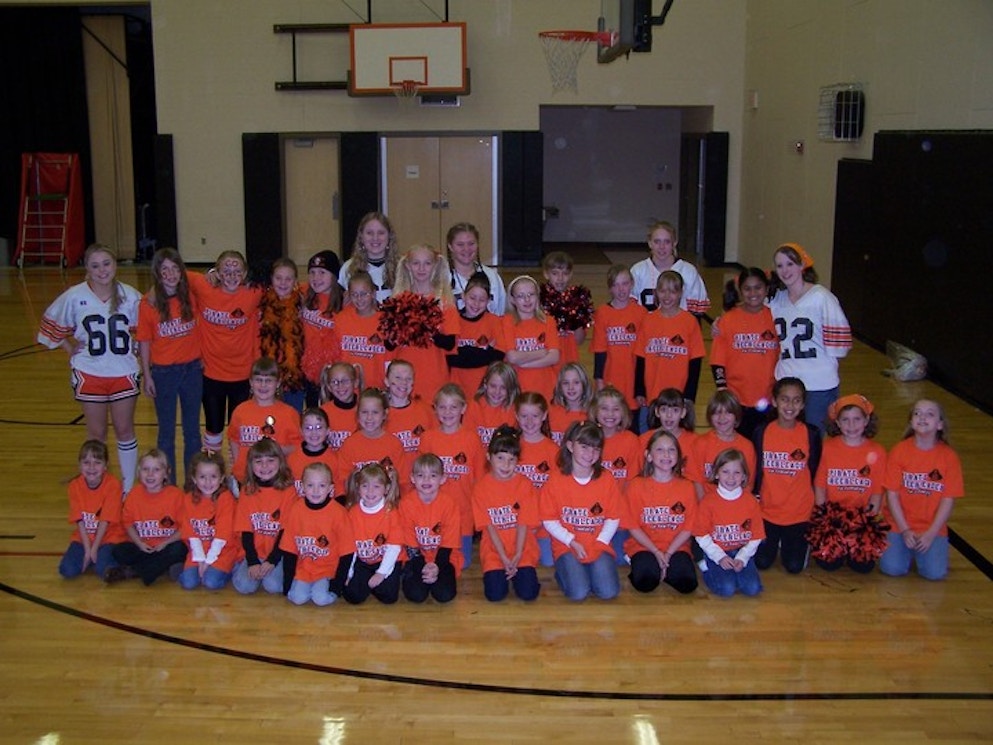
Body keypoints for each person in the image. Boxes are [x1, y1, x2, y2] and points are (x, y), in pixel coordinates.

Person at [38, 244, 142, 492]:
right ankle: (99, 487)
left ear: (115, 265)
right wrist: (67, 346)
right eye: (95, 265)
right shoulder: (74, 296)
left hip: (123, 371)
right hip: (89, 372)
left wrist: (137, 349)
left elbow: (145, 332)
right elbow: (49, 322)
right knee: (96, 433)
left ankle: (127, 490)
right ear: (87, 268)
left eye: (106, 263)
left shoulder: (131, 295)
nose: (102, 270)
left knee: (125, 429)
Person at [768, 242, 852, 434]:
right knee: (788, 437)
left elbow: (840, 346)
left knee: (813, 439)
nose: (785, 270)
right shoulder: (775, 300)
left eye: (790, 264)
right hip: (786, 381)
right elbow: (750, 312)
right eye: (779, 265)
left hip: (818, 384)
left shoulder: (822, 298)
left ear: (802, 264)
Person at [187, 250, 262, 456]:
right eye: (225, 270)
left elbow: (279, 277)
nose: (231, 275)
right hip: (211, 374)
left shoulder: (253, 293)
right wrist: (208, 272)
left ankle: (236, 477)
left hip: (242, 375)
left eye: (237, 270)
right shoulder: (204, 286)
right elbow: (175, 271)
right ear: (218, 273)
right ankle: (214, 475)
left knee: (239, 430)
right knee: (213, 427)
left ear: (245, 273)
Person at [879, 399, 964, 581]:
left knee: (935, 574)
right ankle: (904, 549)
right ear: (911, 421)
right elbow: (891, 495)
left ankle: (922, 551)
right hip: (899, 524)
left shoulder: (949, 457)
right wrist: (904, 530)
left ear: (940, 424)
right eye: (917, 413)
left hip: (931, 527)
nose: (922, 417)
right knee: (892, 569)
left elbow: (948, 499)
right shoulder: (899, 451)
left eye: (930, 414)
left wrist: (931, 533)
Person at [136, 247, 202, 481]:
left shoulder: (191, 295)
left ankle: (194, 482)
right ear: (157, 272)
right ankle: (167, 482)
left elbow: (205, 278)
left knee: (192, 431)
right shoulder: (148, 304)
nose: (171, 274)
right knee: (166, 433)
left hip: (192, 370)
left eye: (175, 268)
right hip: (164, 372)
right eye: (165, 269)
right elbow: (143, 341)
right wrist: (147, 375)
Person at [540, 421, 622, 601]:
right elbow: (549, 520)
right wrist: (571, 541)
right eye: (584, 447)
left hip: (598, 544)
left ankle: (584, 571)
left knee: (608, 592)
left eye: (595, 449)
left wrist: (600, 542)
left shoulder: (606, 479)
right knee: (578, 593)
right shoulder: (555, 480)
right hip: (567, 546)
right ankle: (566, 573)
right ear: (570, 446)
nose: (590, 454)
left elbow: (613, 517)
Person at [809, 394, 888, 573]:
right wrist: (825, 518)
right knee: (829, 564)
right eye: (845, 420)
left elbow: (877, 491)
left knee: (862, 566)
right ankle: (840, 545)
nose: (851, 426)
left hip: (861, 518)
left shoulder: (877, 451)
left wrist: (867, 519)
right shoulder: (827, 447)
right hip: (833, 517)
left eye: (857, 419)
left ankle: (850, 546)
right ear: (837, 422)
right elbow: (820, 485)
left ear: (867, 420)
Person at [751, 377, 821, 574]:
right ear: (774, 401)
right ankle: (775, 542)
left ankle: (795, 542)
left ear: (803, 404)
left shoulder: (811, 434)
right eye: (784, 399)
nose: (790, 405)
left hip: (798, 513)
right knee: (762, 562)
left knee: (793, 567)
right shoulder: (762, 432)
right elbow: (756, 470)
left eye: (796, 400)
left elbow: (814, 471)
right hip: (768, 512)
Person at [622, 430, 699, 594]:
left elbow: (688, 528)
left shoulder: (687, 487)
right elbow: (633, 526)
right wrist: (657, 552)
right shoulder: (636, 486)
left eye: (671, 450)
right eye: (660, 450)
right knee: (645, 582)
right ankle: (649, 567)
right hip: (644, 546)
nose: (666, 454)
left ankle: (663, 570)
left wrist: (668, 554)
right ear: (648, 456)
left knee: (688, 584)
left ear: (678, 456)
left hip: (676, 547)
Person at [419, 383, 485, 568]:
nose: (448, 412)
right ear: (435, 408)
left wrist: (476, 516)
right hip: (434, 512)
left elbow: (479, 480)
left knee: (461, 564)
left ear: (463, 408)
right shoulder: (428, 438)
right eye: (442, 407)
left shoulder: (472, 439)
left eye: (453, 407)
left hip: (463, 513)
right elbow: (420, 480)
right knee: (431, 561)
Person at [472, 426, 541, 602]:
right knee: (495, 595)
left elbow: (524, 523)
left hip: (522, 548)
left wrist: (517, 555)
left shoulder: (525, 485)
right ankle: (497, 573)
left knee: (528, 593)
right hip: (495, 550)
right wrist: (503, 557)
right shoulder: (480, 488)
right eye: (500, 458)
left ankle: (522, 574)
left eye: (512, 459)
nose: (506, 465)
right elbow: (489, 527)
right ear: (489, 457)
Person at [710, 267, 779, 440]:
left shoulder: (776, 317)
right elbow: (717, 360)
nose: (753, 293)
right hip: (737, 401)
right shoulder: (728, 320)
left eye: (758, 287)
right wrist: (722, 388)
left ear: (766, 288)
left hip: (768, 399)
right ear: (740, 291)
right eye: (747, 289)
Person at [385, 243, 459, 401]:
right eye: (416, 263)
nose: (421, 268)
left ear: (435, 265)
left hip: (434, 377)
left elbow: (450, 343)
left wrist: (426, 328)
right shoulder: (397, 302)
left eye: (427, 263)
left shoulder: (445, 303)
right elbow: (388, 344)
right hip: (402, 380)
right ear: (407, 265)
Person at [106, 449, 188, 585]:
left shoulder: (176, 496)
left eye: (156, 470)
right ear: (139, 473)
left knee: (179, 549)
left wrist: (166, 542)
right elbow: (127, 523)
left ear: (166, 473)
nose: (150, 474)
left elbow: (185, 528)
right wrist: (139, 543)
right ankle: (162, 567)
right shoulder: (134, 494)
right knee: (118, 551)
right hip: (143, 547)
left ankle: (133, 571)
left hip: (166, 545)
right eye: (145, 469)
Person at [693, 448, 765, 597]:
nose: (731, 477)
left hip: (741, 550)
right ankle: (706, 567)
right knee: (727, 590)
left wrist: (742, 558)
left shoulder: (751, 501)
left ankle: (737, 573)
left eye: (737, 472)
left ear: (744, 476)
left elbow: (756, 536)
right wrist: (720, 557)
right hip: (716, 552)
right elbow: (701, 535)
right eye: (725, 472)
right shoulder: (708, 502)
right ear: (717, 474)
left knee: (752, 589)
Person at [280, 462, 353, 606]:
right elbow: (289, 550)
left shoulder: (339, 513)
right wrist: (288, 582)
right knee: (297, 598)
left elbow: (347, 553)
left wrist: (337, 585)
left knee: (320, 599)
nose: (315, 491)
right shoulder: (296, 510)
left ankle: (322, 589)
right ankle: (301, 588)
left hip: (327, 570)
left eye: (322, 486)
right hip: (304, 569)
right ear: (302, 487)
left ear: (330, 489)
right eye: (310, 485)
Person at [231, 438, 297, 595]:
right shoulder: (247, 491)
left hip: (277, 553)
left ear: (280, 462)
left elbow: (285, 532)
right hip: (254, 552)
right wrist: (253, 561)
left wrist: (272, 561)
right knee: (244, 587)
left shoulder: (289, 492)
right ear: (250, 465)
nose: (265, 466)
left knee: (273, 586)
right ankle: (239, 565)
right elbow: (245, 531)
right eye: (258, 461)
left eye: (270, 460)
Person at [226, 357, 302, 487]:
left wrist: (276, 450)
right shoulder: (240, 410)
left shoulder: (289, 413)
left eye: (268, 381)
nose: (263, 385)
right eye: (258, 380)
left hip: (276, 479)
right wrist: (239, 466)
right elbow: (234, 438)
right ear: (250, 382)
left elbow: (299, 446)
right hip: (245, 479)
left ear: (278, 383)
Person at [635, 270, 705, 409]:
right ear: (656, 292)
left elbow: (695, 363)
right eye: (662, 291)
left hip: (679, 397)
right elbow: (640, 359)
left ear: (680, 293)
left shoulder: (690, 322)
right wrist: (640, 391)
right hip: (652, 395)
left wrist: (689, 396)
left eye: (672, 292)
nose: (667, 296)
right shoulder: (648, 320)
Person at [58, 440, 126, 579]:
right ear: (79, 465)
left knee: (103, 570)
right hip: (84, 538)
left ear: (106, 466)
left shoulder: (113, 485)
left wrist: (94, 549)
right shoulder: (74, 486)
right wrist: (88, 549)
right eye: (86, 462)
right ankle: (93, 559)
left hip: (109, 537)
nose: (91, 467)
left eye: (97, 462)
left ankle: (115, 563)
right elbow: (79, 520)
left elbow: (105, 521)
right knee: (67, 570)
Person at [400, 453, 462, 603]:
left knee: (444, 595)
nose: (426, 480)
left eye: (433, 475)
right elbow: (409, 544)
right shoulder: (406, 504)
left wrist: (436, 566)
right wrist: (422, 565)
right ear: (412, 478)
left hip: (443, 557)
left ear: (442, 479)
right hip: (415, 558)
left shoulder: (449, 504)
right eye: (421, 475)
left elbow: (448, 543)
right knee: (416, 596)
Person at [592, 264, 647, 430]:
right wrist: (599, 383)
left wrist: (642, 389)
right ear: (610, 288)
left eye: (624, 283)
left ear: (632, 284)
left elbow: (645, 356)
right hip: (611, 382)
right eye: (616, 285)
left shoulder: (641, 313)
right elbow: (599, 351)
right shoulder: (602, 313)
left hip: (633, 385)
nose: (621, 289)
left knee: (633, 430)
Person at [342, 462, 404, 604]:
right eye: (365, 486)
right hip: (363, 560)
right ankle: (366, 581)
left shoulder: (391, 513)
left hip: (386, 559)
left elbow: (394, 548)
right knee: (351, 596)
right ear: (358, 488)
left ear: (386, 489)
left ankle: (378, 580)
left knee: (389, 597)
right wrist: (349, 573)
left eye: (376, 486)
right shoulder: (352, 513)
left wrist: (381, 573)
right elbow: (351, 549)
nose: (370, 492)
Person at [177, 450, 238, 590]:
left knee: (211, 582)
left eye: (213, 477)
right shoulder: (188, 499)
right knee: (188, 583)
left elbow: (223, 535)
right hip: (199, 549)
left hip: (223, 550)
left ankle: (232, 568)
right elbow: (190, 533)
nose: (208, 482)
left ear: (222, 478)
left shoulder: (225, 499)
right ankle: (183, 570)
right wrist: (199, 559)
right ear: (194, 478)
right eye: (202, 477)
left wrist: (209, 561)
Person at [514, 391, 559, 567]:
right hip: (516, 520)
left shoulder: (553, 450)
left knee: (548, 562)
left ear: (544, 416)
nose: (529, 421)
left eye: (535, 416)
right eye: (524, 416)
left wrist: (540, 521)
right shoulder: (512, 447)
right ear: (516, 416)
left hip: (543, 522)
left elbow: (556, 494)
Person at [686, 390, 757, 500]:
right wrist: (706, 506)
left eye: (728, 412)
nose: (722, 417)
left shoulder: (746, 446)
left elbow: (748, 484)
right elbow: (696, 482)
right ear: (710, 415)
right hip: (707, 505)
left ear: (736, 415)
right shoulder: (700, 443)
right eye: (717, 412)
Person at [630, 220, 710, 316]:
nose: (662, 247)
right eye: (657, 242)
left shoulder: (688, 271)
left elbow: (696, 314)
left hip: (678, 329)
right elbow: (629, 310)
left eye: (667, 242)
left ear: (674, 243)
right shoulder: (638, 271)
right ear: (650, 243)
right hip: (646, 329)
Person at [258, 257, 307, 413]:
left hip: (294, 378)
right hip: (266, 375)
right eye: (278, 278)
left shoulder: (303, 302)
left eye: (288, 279)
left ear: (295, 281)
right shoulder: (260, 301)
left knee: (292, 419)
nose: (283, 283)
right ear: (271, 279)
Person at [447, 271, 506, 395]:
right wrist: (485, 352)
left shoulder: (494, 321)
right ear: (463, 296)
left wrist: (464, 352)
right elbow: (451, 358)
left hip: (485, 391)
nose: (476, 304)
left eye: (482, 300)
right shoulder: (453, 321)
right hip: (457, 390)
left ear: (489, 300)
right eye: (472, 298)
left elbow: (498, 356)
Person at [502, 275, 560, 399]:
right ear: (512, 299)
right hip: (517, 386)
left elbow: (554, 357)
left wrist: (524, 363)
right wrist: (541, 352)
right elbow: (512, 357)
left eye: (531, 294)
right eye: (521, 296)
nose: (527, 300)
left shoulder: (548, 321)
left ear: (538, 296)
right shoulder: (507, 321)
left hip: (546, 386)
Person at [299, 250, 344, 407]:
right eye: (312, 272)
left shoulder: (345, 301)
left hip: (333, 373)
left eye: (322, 273)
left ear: (334, 276)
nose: (316, 278)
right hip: (308, 371)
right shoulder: (303, 292)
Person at [335, 387, 407, 483]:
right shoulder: (349, 445)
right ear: (357, 413)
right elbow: (342, 481)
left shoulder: (394, 444)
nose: (369, 418)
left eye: (375, 412)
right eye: (364, 412)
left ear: (385, 414)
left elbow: (402, 481)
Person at [333, 270, 387, 391]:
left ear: (373, 293)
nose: (359, 299)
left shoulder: (385, 321)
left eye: (364, 294)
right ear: (348, 295)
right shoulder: (341, 319)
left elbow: (390, 358)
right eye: (354, 294)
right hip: (347, 389)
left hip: (376, 388)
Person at [540, 250, 593, 366]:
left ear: (571, 274)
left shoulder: (578, 301)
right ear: (546, 274)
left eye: (565, 273)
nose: (560, 278)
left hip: (569, 360)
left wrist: (575, 316)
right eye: (555, 273)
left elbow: (579, 340)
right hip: (545, 362)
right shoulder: (539, 301)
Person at [338, 211, 400, 304]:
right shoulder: (348, 268)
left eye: (381, 233)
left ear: (389, 236)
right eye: (369, 233)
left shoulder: (402, 266)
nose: (375, 238)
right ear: (361, 237)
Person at [446, 222, 506, 315]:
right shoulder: (441, 277)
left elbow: (500, 312)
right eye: (460, 244)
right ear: (450, 246)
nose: (466, 249)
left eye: (471, 243)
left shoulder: (492, 277)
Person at [383, 359, 433, 469]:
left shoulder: (426, 411)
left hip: (421, 481)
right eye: (398, 378)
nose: (403, 382)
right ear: (386, 381)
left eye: (408, 378)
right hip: (391, 482)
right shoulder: (379, 415)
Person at [465, 361, 519, 449]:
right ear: (485, 384)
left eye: (503, 387)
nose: (497, 392)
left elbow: (509, 447)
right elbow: (468, 441)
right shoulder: (474, 405)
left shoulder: (513, 409)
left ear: (510, 388)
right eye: (493, 386)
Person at [287, 407, 338, 497]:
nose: (314, 432)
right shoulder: (291, 459)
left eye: (319, 427)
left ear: (327, 431)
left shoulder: (336, 459)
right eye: (308, 428)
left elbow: (339, 490)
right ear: (301, 431)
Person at [548, 362, 594, 445]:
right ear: (560, 387)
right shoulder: (550, 412)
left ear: (584, 384)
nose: (571, 387)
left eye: (576, 382)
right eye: (566, 383)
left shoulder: (592, 415)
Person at [318, 361, 361, 451]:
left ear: (356, 383)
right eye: (335, 382)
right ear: (329, 387)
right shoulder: (322, 412)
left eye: (345, 381)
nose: (340, 386)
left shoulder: (365, 410)